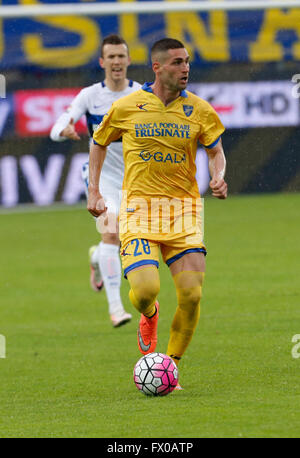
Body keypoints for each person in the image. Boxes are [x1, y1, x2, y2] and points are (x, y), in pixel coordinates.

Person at [87, 38, 227, 388]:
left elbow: (215, 150)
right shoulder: (128, 106)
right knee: (147, 291)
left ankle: (171, 366)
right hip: (138, 210)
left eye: (187, 62)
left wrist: (218, 175)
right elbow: (98, 142)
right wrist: (94, 189)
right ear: (157, 67)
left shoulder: (200, 110)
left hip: (183, 212)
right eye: (178, 62)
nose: (185, 68)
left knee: (192, 296)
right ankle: (149, 313)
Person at [50, 35, 141, 327]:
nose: (116, 62)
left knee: (124, 242)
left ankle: (96, 259)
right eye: (111, 57)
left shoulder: (140, 94)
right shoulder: (90, 96)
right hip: (99, 179)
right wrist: (63, 129)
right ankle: (116, 310)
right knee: (111, 233)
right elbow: (57, 126)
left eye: (121, 56)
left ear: (128, 60)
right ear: (102, 62)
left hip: (134, 180)